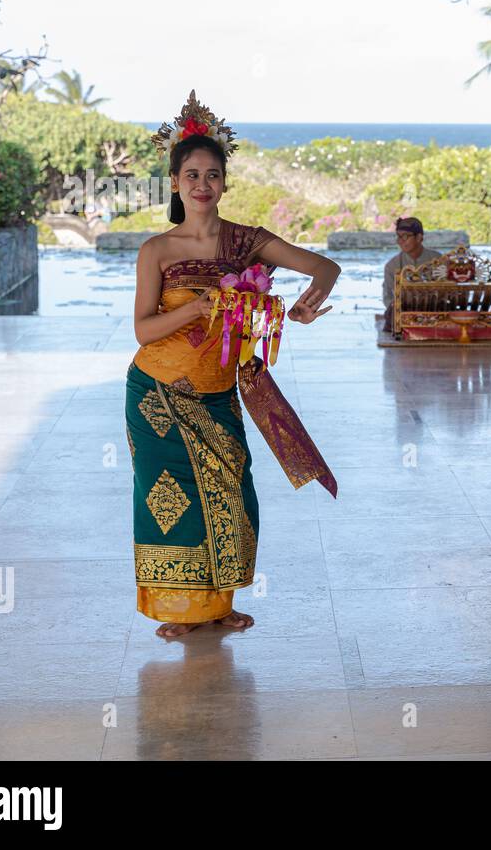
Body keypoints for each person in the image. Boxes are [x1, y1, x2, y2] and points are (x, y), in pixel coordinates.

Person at [128, 90, 340, 639]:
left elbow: (325, 266)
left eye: (213, 174)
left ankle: (217, 606)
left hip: (219, 392)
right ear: (175, 183)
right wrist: (197, 308)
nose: (202, 184)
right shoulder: (156, 250)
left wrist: (306, 305)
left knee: (229, 491)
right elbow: (143, 329)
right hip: (157, 392)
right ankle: (180, 611)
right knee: (169, 497)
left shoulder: (247, 241)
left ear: (225, 182)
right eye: (191, 174)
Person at [382, 215, 441, 331]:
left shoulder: (438, 260)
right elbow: (387, 297)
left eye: (405, 236)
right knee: (392, 315)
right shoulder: (392, 266)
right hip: (404, 311)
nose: (400, 241)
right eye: (398, 237)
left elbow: (448, 290)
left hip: (434, 310)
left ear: (419, 237)